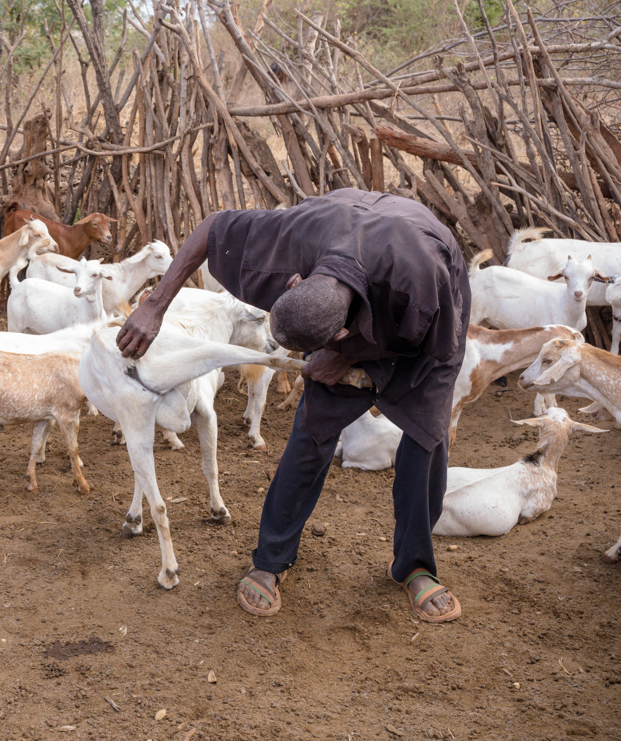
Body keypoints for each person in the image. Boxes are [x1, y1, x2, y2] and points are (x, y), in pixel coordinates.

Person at [117, 189, 469, 623]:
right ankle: (272, 558)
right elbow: (213, 228)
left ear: (341, 330)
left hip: (433, 322)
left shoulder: (420, 282)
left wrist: (351, 355)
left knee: (424, 438)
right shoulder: (293, 238)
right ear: (295, 281)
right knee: (312, 432)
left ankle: (414, 565)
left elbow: (433, 339)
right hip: (350, 239)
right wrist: (155, 305)